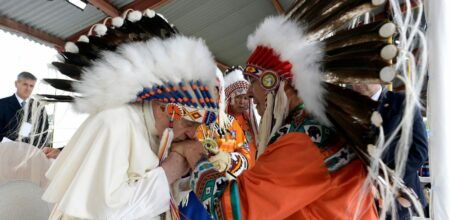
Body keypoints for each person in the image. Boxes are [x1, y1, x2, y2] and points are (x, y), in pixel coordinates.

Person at [171, 15, 384, 219]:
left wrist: (197, 159)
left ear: (273, 82)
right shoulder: (312, 127)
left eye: (253, 81)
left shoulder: (305, 139)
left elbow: (234, 210)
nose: (249, 93)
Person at [39, 9, 228, 220]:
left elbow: (161, 202)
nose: (194, 135)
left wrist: (186, 171)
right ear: (164, 106)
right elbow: (108, 213)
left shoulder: (159, 132)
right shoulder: (115, 123)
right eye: (189, 123)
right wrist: (170, 170)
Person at [353, 83, 429, 219]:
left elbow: (419, 151)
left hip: (397, 201)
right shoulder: (347, 106)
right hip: (358, 200)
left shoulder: (403, 103)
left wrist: (385, 179)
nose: (357, 81)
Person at [0, 72, 59, 158]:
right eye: (25, 84)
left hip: (31, 157)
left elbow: (44, 134)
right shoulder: (2, 105)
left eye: (31, 86)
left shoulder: (40, 108)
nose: (28, 89)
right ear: (16, 83)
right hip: (5, 155)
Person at [223, 66, 258, 165]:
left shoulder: (251, 120)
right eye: (238, 97)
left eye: (246, 98)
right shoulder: (223, 121)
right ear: (229, 99)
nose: (242, 102)